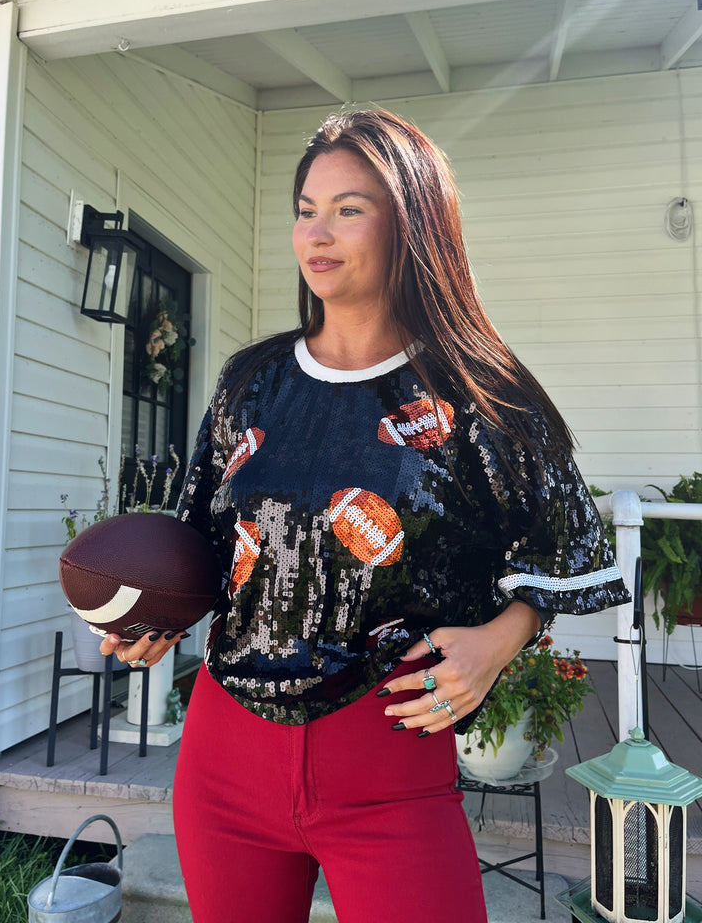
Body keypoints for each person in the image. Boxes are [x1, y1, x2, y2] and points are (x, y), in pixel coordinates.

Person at [101, 107, 630, 923]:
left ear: (412, 224)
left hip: (388, 758)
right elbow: (206, 543)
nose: (318, 231)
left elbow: (567, 553)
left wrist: (498, 641)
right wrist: (155, 612)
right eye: (305, 209)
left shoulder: (482, 396)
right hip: (225, 756)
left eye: (349, 209)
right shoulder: (250, 382)